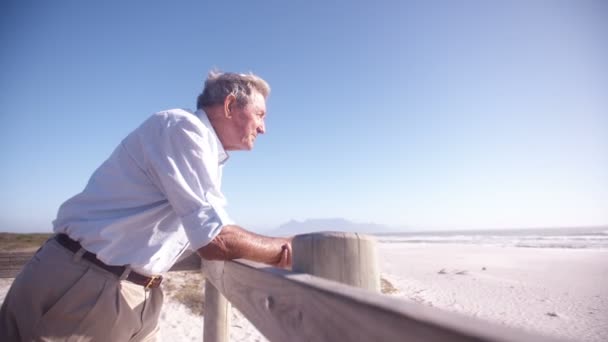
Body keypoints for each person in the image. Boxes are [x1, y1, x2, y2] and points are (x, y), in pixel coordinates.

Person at [0, 70, 292, 341]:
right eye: (260, 114)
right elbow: (215, 240)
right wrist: (292, 248)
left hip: (125, 290)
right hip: (87, 288)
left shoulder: (203, 150)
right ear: (230, 106)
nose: (263, 128)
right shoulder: (182, 129)